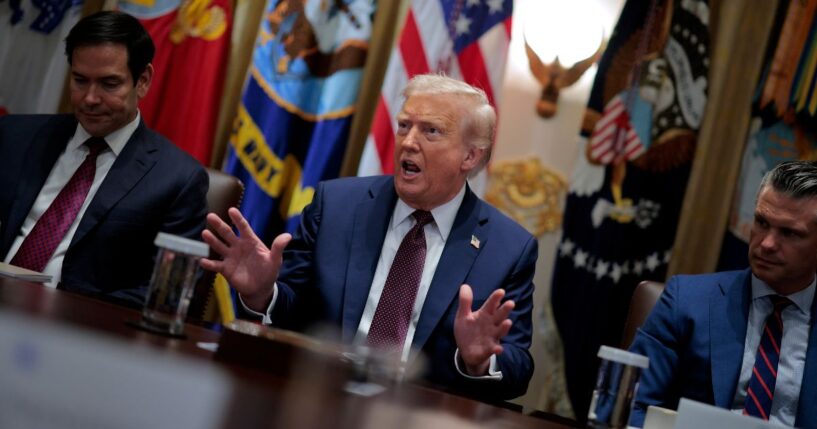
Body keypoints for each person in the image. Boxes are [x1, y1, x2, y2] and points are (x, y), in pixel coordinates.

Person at [201, 74, 536, 400]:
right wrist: (264, 294)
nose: (408, 141)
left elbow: (518, 368)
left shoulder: (508, 249)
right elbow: (294, 312)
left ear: (470, 156)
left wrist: (478, 362)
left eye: (431, 131)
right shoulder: (336, 206)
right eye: (404, 125)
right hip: (319, 397)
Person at [0, 11, 208, 307]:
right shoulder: (14, 137)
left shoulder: (177, 180)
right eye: (80, 80)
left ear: (143, 80)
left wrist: (60, 310)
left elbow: (164, 294)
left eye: (109, 84)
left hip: (80, 334)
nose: (90, 99)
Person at [629, 160, 817, 428]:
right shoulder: (686, 301)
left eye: (789, 233)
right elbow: (633, 406)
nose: (767, 244)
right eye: (762, 222)